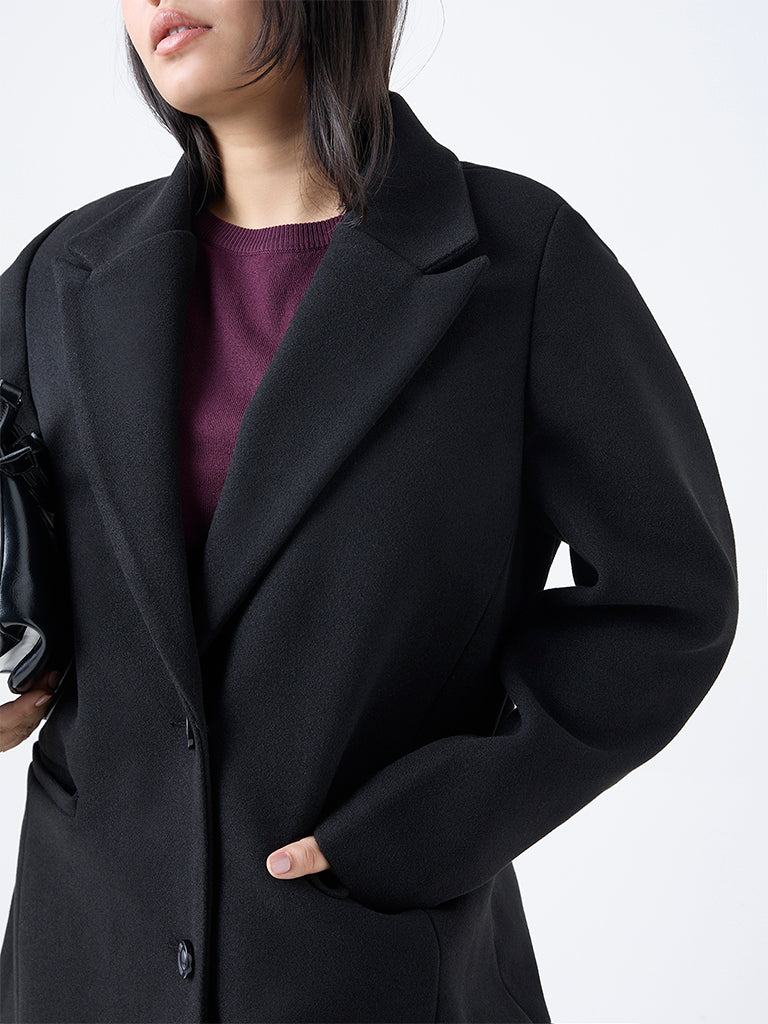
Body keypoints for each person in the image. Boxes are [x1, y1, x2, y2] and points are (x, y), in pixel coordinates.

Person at [0, 2, 739, 1023]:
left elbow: (667, 600)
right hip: (83, 966)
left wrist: (428, 825)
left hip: (371, 971)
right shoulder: (61, 276)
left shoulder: (520, 262)